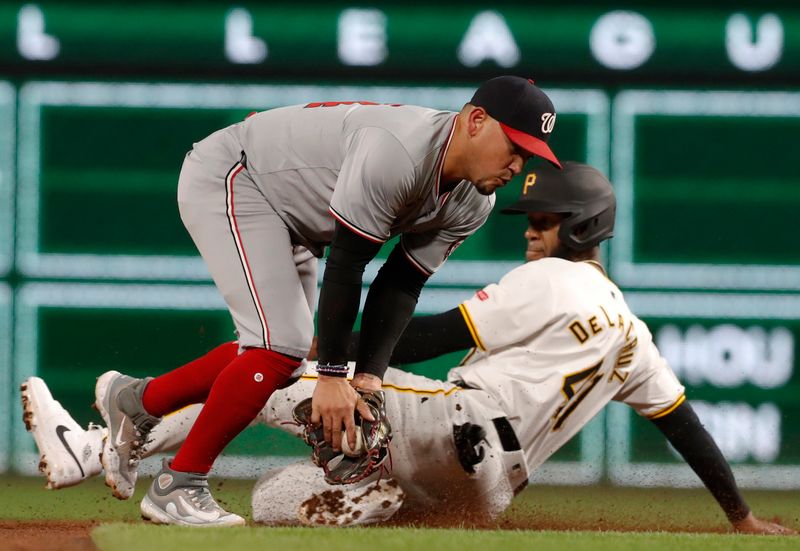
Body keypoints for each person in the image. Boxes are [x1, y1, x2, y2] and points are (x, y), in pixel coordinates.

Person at [21, 163, 794, 534]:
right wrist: (739, 513)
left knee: (280, 363)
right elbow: (681, 422)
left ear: (580, 230)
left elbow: (426, 335)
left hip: (453, 425)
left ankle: (97, 447)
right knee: (271, 502)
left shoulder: (554, 279)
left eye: (547, 218)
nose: (532, 227)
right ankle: (376, 484)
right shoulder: (632, 332)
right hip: (483, 492)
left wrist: (329, 358)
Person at [82, 76, 561, 525]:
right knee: (281, 347)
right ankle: (178, 484)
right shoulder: (398, 152)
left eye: (530, 155)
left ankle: (138, 401)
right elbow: (349, 264)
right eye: (515, 146)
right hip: (238, 176)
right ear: (475, 121)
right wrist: (333, 377)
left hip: (292, 214)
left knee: (284, 360)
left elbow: (399, 284)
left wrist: (368, 380)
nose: (519, 165)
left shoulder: (473, 202)